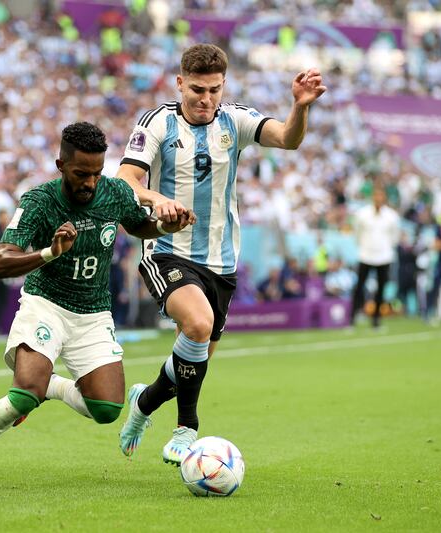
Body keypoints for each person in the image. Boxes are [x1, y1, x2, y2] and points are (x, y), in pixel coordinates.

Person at [0, 122, 194, 487]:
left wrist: (167, 227)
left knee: (105, 410)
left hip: (93, 312)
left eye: (96, 173)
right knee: (23, 395)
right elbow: (1, 262)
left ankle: (51, 386)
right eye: (80, 173)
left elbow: (138, 226)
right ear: (60, 165)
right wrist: (50, 252)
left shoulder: (115, 192)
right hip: (46, 305)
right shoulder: (39, 201)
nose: (90, 182)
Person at [116, 43, 326, 464]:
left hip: (221, 261)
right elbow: (126, 178)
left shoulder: (235, 119)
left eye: (213, 89)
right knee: (196, 323)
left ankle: (143, 404)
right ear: (180, 83)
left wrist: (300, 107)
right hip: (167, 249)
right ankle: (187, 427)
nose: (205, 99)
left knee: (192, 357)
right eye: (196, 89)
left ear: (223, 85)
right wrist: (157, 200)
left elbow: (287, 139)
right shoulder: (157, 122)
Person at [350, 185, 400, 329]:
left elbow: (394, 237)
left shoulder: (391, 216)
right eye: (376, 196)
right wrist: (363, 246)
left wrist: (386, 248)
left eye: (381, 196)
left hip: (384, 256)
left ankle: (376, 320)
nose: (378, 199)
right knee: (359, 286)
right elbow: (357, 234)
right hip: (366, 254)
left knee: (381, 288)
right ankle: (353, 317)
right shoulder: (362, 214)